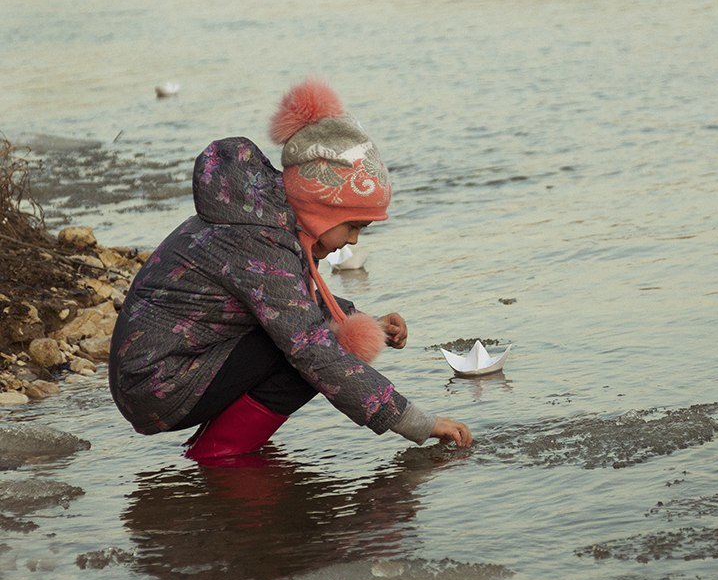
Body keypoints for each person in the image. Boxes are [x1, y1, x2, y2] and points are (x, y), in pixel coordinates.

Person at [108, 78, 472, 463]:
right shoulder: (261, 240)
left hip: (164, 367)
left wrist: (364, 320)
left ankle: (222, 444)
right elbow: (312, 348)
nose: (355, 241)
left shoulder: (265, 217)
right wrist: (418, 422)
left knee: (311, 337)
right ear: (321, 209)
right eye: (354, 226)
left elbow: (293, 303)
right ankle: (220, 455)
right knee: (312, 354)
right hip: (156, 384)